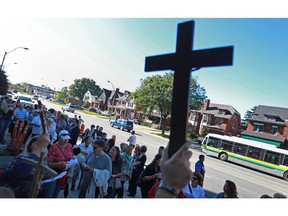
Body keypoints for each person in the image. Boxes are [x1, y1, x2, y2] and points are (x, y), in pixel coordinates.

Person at [0, 133, 50, 198]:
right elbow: (17, 174)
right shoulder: (23, 157)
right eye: (35, 144)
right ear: (29, 145)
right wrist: (38, 149)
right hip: (15, 191)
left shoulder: (43, 160)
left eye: (39, 144)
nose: (37, 146)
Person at [43, 130, 74, 198]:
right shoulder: (53, 147)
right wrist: (58, 164)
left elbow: (71, 156)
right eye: (64, 139)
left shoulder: (69, 146)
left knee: (56, 193)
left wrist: (73, 161)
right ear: (59, 138)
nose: (66, 141)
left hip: (63, 173)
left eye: (67, 139)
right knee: (49, 194)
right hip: (53, 173)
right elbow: (49, 164)